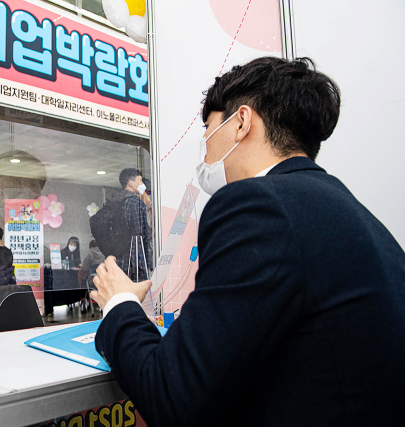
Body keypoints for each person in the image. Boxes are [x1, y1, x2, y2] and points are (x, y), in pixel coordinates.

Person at [91, 57, 405, 426]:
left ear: (241, 122)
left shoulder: (258, 206)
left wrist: (119, 301)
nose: (204, 153)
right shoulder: (352, 212)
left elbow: (171, 396)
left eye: (208, 131)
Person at [109, 168, 152, 281]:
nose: (143, 184)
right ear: (131, 183)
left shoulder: (114, 202)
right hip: (134, 263)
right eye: (140, 180)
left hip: (119, 260)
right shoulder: (136, 203)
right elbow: (141, 234)